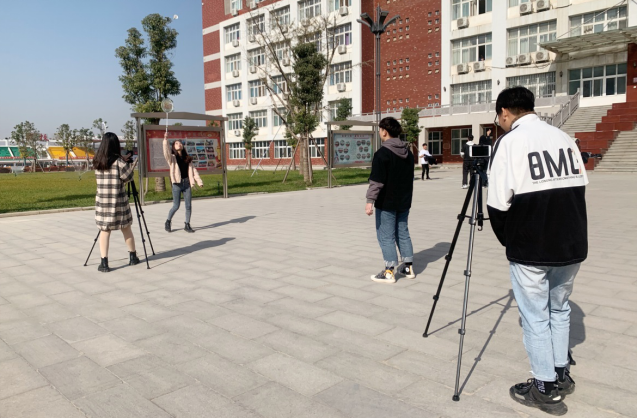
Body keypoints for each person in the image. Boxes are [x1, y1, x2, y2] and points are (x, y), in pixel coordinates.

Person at [487, 86, 588, 416]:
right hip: (571, 241)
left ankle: (544, 387)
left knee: (535, 316)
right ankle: (560, 373)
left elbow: (497, 204)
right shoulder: (564, 138)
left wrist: (510, 241)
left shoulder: (509, 142)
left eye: (499, 118)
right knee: (559, 309)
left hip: (532, 245)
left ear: (505, 112)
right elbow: (579, 188)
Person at [365, 117, 415, 283]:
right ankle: (407, 267)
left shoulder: (382, 154)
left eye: (380, 130)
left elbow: (376, 181)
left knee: (385, 235)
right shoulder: (408, 154)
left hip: (386, 202)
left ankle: (389, 271)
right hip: (404, 201)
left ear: (384, 131)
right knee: (403, 232)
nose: (380, 132)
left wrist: (369, 201)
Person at [93, 132, 140, 273]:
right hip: (118, 202)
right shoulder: (119, 163)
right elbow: (129, 177)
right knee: (126, 229)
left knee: (104, 231)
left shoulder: (97, 161)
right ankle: (132, 256)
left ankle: (104, 262)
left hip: (102, 202)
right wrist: (125, 161)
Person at [163, 132, 203, 233]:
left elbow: (194, 171)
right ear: (173, 147)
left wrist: (199, 181)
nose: (179, 144)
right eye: (176, 143)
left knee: (188, 206)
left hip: (187, 184)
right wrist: (165, 140)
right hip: (177, 184)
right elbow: (166, 152)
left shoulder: (187, 158)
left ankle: (187, 224)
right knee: (176, 206)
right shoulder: (172, 158)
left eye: (180, 143)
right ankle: (168, 221)